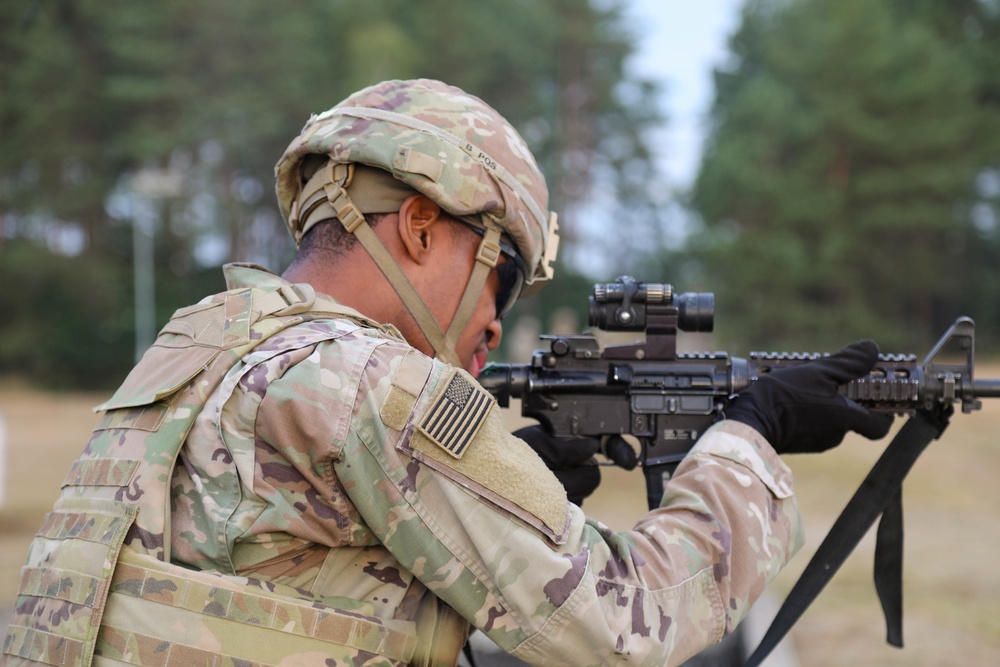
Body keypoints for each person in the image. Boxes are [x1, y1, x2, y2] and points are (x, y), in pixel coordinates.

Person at [0, 79, 892, 667]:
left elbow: (279, 573)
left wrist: (513, 481)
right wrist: (750, 436)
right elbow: (625, 626)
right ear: (422, 227)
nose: (496, 315)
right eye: (499, 272)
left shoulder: (195, 346)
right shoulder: (373, 386)